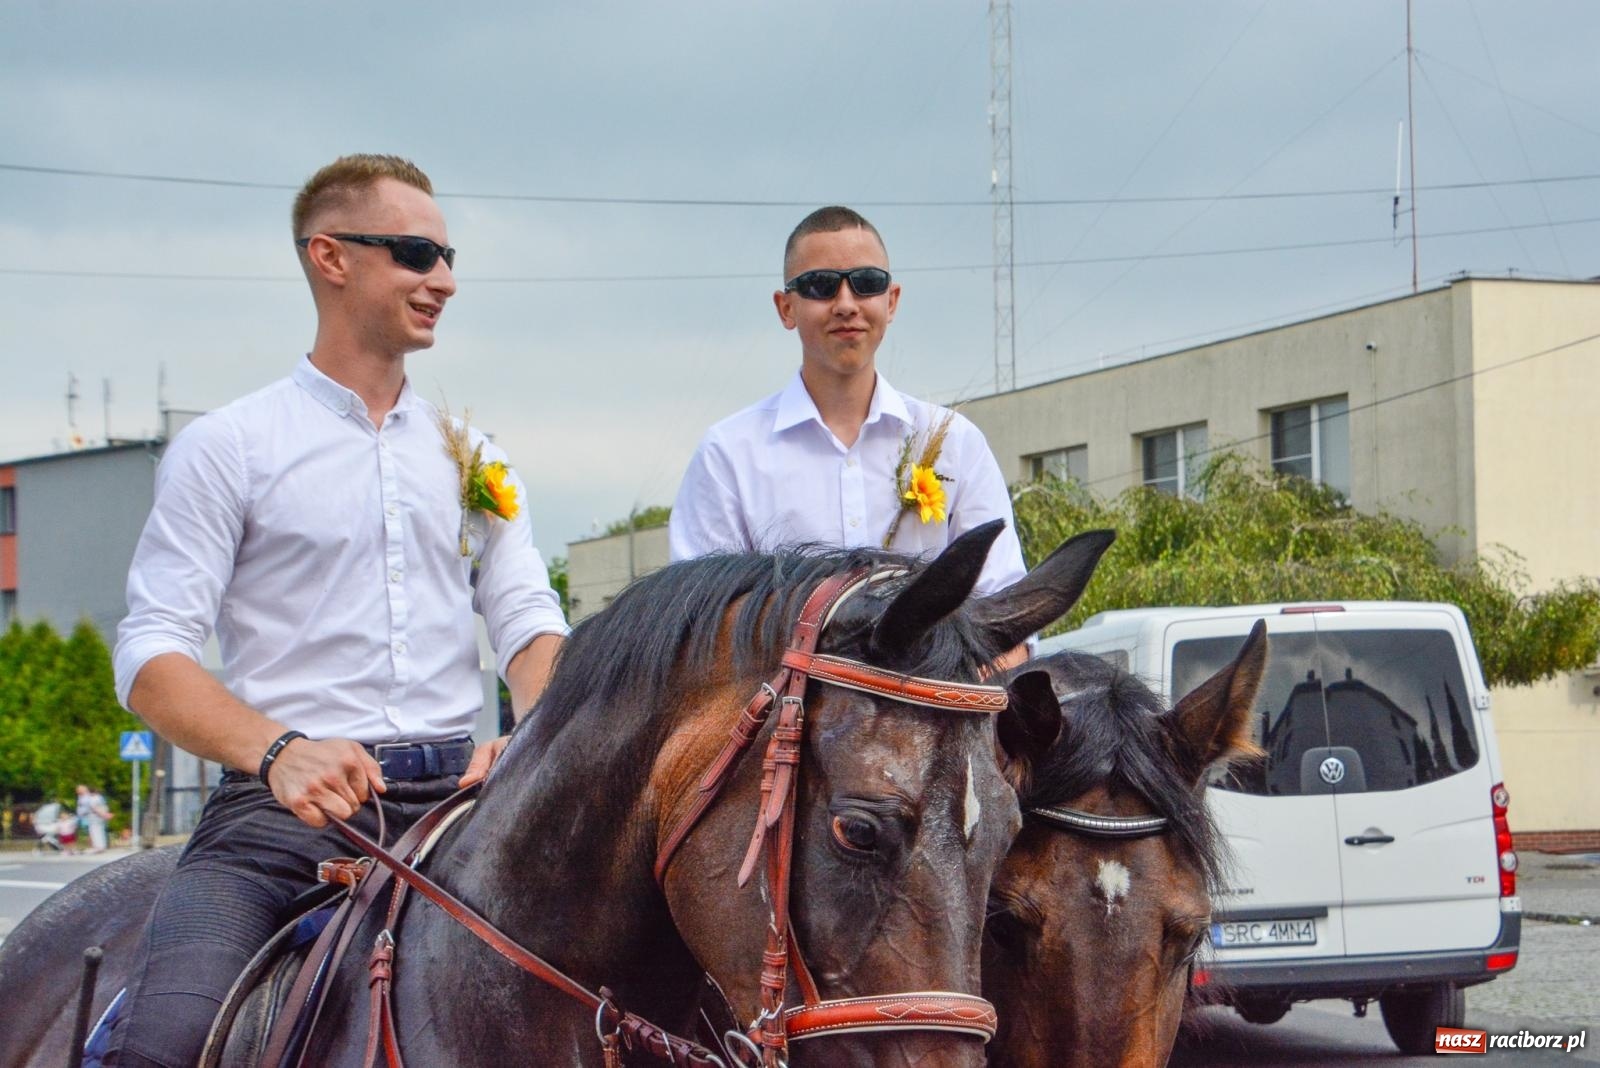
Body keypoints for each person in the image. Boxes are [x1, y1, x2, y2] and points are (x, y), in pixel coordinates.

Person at [105, 154, 568, 1067]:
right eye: (414, 253)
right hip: (283, 818)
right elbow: (151, 653)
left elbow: (525, 616)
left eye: (445, 257)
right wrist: (278, 751)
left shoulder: (475, 455)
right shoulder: (227, 447)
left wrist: (538, 733)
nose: (444, 280)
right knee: (163, 1043)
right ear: (330, 257)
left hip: (465, 809)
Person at [669, 205, 1027, 597]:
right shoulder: (729, 458)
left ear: (891, 301)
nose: (845, 303)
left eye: (866, 282)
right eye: (821, 285)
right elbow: (699, 627)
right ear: (785, 307)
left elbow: (1006, 613)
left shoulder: (955, 445)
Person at [75, 783, 111, 853]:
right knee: (96, 831)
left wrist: (104, 815)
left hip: (94, 816)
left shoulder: (92, 798)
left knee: (95, 831)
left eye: (79, 789)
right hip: (91, 816)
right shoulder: (84, 797)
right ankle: (99, 846)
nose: (78, 791)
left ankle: (98, 847)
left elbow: (94, 807)